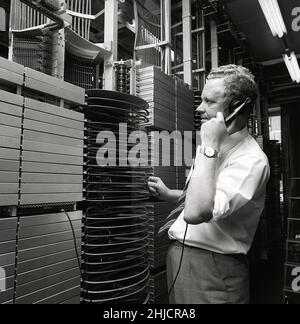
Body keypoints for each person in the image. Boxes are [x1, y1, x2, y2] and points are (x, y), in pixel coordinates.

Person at [148, 65, 270, 304]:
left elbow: (197, 212)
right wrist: (169, 194)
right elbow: (201, 197)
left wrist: (209, 146)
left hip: (212, 267)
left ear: (237, 108)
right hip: (183, 259)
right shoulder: (214, 147)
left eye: (209, 102)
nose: (199, 108)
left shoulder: (251, 160)